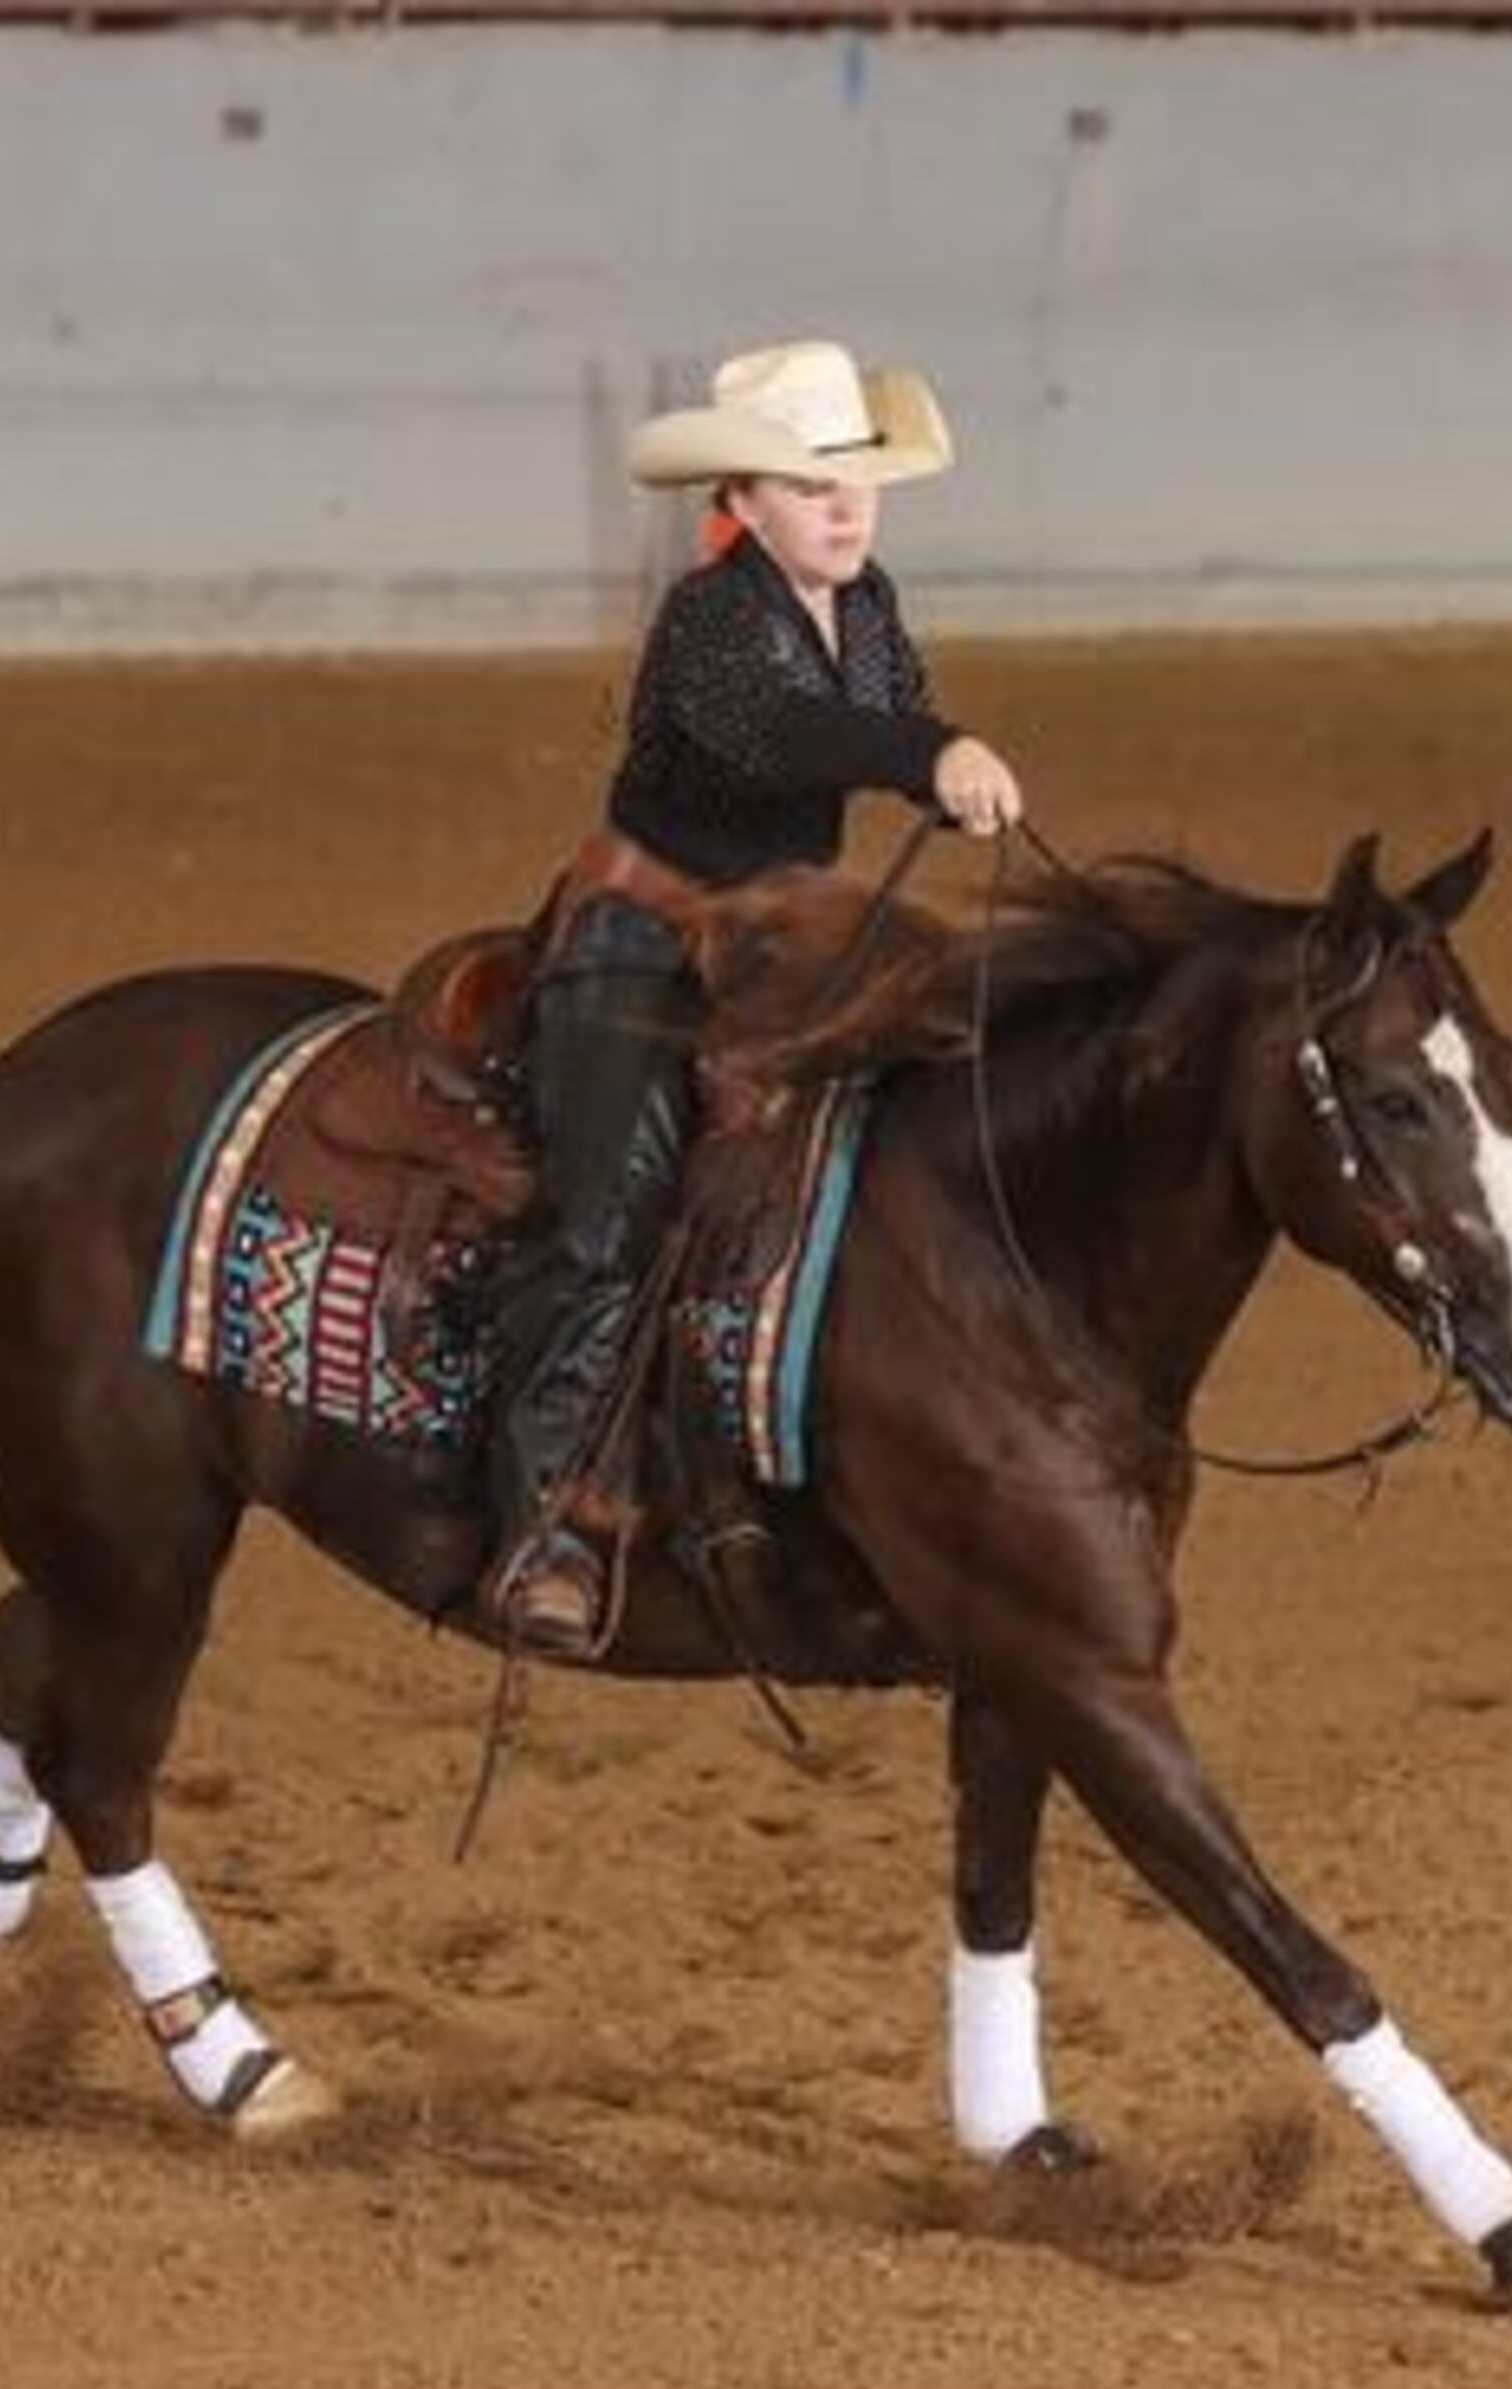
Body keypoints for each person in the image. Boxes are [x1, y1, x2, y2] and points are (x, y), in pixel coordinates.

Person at [485, 338, 1025, 1654]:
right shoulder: (713, 619)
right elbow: (784, 734)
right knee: (605, 1206)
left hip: (781, 938)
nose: (845, 507)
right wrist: (927, 751)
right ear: (743, 498)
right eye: (808, 484)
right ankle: (547, 1516)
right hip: (647, 934)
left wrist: (933, 762)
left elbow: (881, 716)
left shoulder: (867, 599)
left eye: (856, 480)